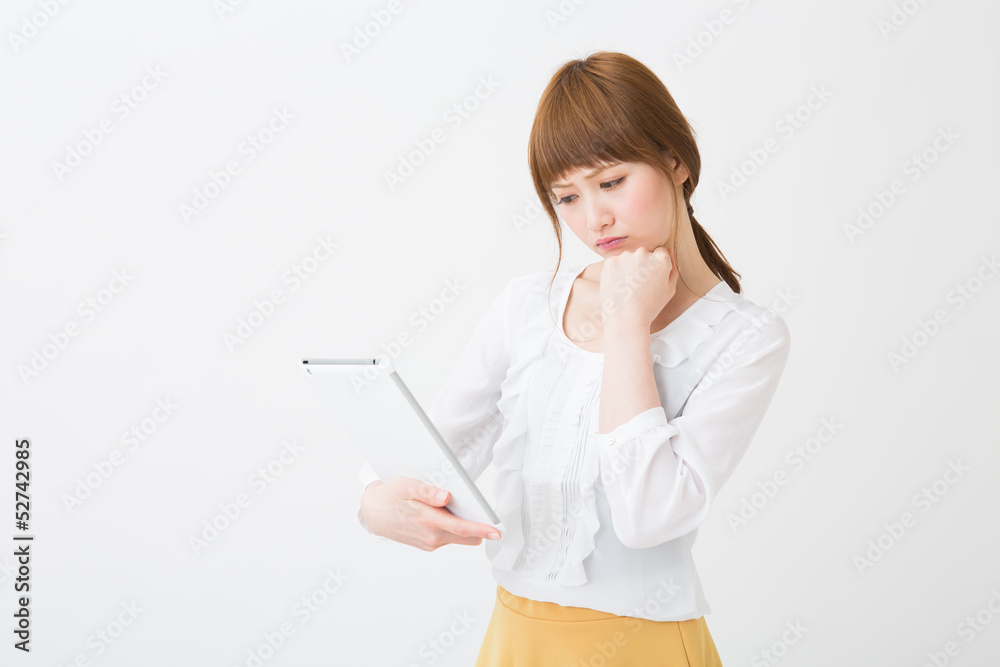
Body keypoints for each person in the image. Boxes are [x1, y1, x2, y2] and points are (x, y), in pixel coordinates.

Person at [358, 51, 791, 666]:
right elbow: (428, 462)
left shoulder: (745, 337)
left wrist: (627, 324)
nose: (595, 219)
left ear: (676, 161)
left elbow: (648, 516)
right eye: (566, 197)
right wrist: (373, 500)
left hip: (645, 646)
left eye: (611, 182)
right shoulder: (527, 306)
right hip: (515, 637)